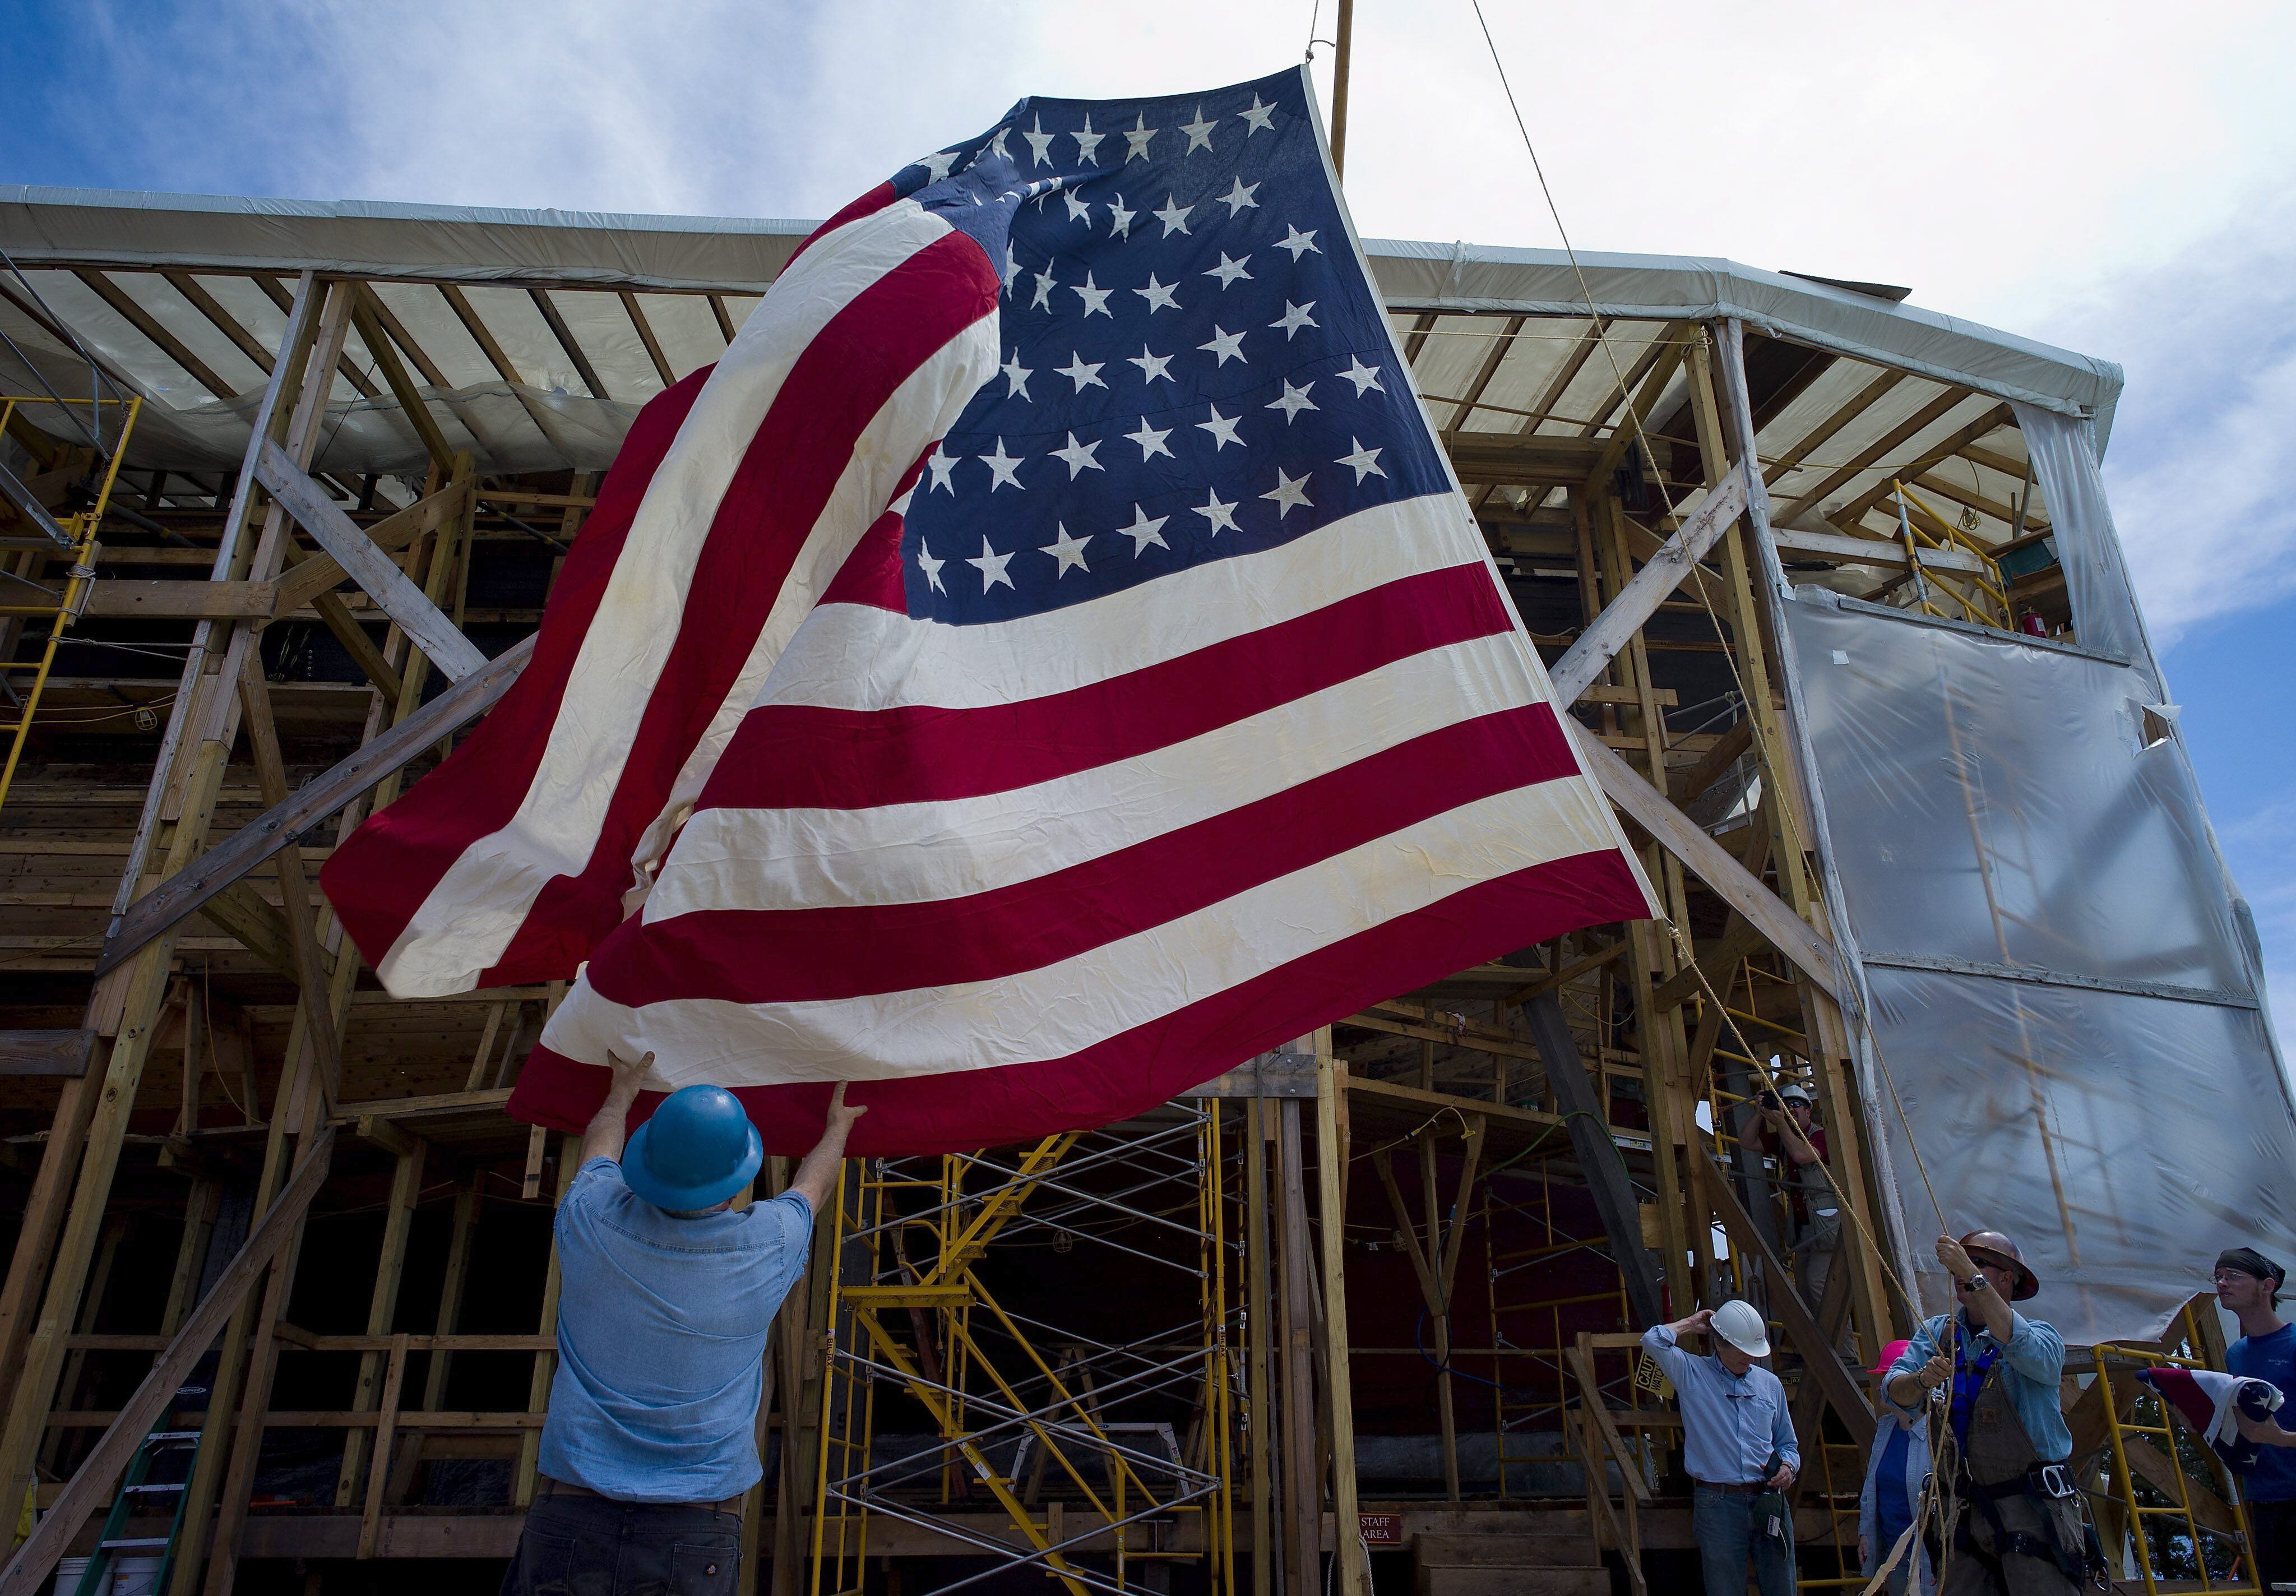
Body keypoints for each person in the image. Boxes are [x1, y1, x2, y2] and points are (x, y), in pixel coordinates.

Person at [500, 1051, 867, 1596]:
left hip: (571, 1515)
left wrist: (620, 1093)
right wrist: (838, 1128)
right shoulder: (768, 1245)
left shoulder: (590, 1219)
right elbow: (811, 1192)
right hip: (696, 1529)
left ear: (648, 1161)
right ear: (735, 1175)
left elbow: (599, 1146)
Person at [1886, 1231, 2087, 1595]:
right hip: (1963, 1510)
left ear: (2007, 1278)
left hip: (2031, 1507)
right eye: (1966, 1261)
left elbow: (2020, 1344)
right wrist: (1919, 1379)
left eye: (1979, 1262)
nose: (1964, 1270)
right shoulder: (1939, 1333)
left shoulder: (2042, 1337)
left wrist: (1970, 1273)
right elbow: (1894, 1390)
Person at [1643, 1299, 1800, 1596]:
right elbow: (1653, 1341)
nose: (1749, 1360)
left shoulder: (1770, 1385)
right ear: (1719, 1343)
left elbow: (1787, 1443)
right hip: (1718, 1504)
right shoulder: (1693, 1374)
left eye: (1753, 1352)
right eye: (1742, 1351)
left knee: (1783, 1587)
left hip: (1768, 1499)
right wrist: (1691, 1324)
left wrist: (1789, 1467)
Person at [2214, 1247, 2296, 1590]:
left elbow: (2270, 1433)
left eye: (2233, 1275)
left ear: (2268, 1286)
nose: (2222, 1283)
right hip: (2264, 1500)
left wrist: (2281, 1438)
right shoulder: (2236, 1355)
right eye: (2218, 1276)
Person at [1744, 1080, 1839, 1306]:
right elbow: (1746, 1141)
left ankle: (1839, 1342)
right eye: (1786, 1106)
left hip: (1827, 1227)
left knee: (1818, 1285)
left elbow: (1803, 1156)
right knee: (1805, 1290)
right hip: (1802, 1226)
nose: (1791, 1110)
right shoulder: (1783, 1139)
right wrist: (1760, 1113)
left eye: (1796, 1105)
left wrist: (1781, 1125)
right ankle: (1817, 1340)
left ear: (1808, 1111)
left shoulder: (1821, 1135)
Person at [1859, 1336, 1934, 1595]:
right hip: (1894, 1554)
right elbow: (1872, 1487)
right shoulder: (1886, 1428)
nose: (1882, 1387)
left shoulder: (1936, 1436)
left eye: (1888, 1380)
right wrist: (1865, 1533)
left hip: (1925, 1556)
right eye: (1882, 1379)